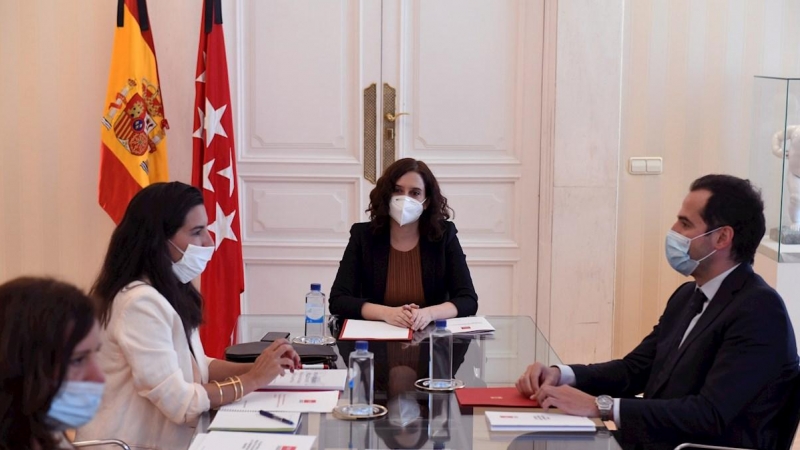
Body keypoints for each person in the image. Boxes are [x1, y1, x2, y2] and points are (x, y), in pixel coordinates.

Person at [516, 174, 799, 449]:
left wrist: (599, 406)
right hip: (653, 439)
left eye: (685, 223)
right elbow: (635, 369)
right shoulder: (688, 295)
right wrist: (561, 374)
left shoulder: (759, 310)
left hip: (692, 445)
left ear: (722, 237)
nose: (673, 229)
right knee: (527, 442)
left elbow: (708, 414)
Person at [77, 182, 300, 450]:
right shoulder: (139, 303)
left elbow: (194, 365)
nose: (208, 241)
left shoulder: (165, 289)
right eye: (197, 232)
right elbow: (180, 404)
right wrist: (252, 380)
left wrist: (262, 366)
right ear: (158, 240)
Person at [329, 158, 478, 331]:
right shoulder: (363, 235)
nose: (404, 199)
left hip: (430, 340)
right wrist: (387, 313)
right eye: (397, 190)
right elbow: (338, 300)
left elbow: (468, 299)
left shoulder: (444, 235)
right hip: (375, 341)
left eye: (415, 193)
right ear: (387, 194)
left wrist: (428, 314)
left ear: (427, 201)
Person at [0, 277, 105, 450]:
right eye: (77, 360)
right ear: (20, 364)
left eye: (96, 354)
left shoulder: (47, 439)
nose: (99, 377)